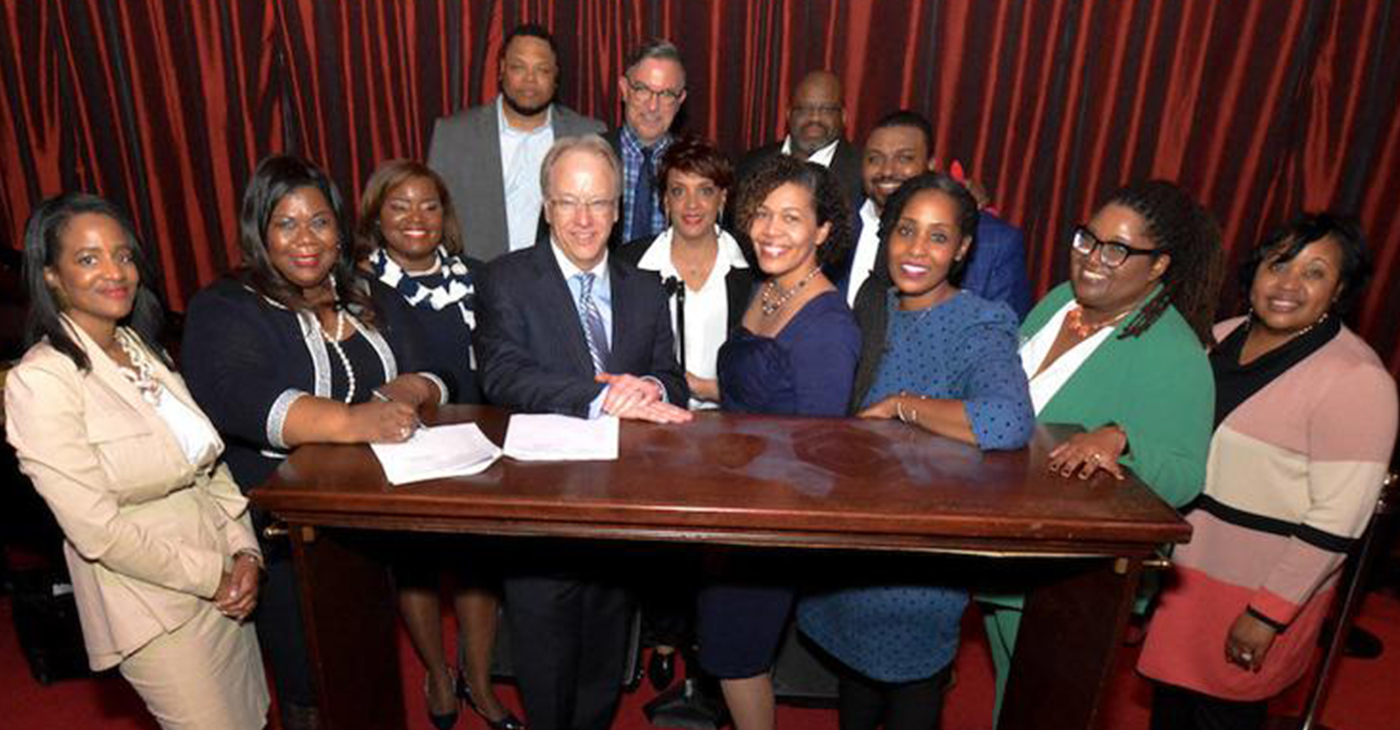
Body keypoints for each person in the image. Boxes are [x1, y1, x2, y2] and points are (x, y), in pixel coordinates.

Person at [181, 155, 446, 730]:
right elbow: (240, 397)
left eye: (320, 222)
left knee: (366, 661)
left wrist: (409, 387)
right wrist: (358, 423)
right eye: (287, 223)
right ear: (260, 230)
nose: (307, 240)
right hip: (281, 526)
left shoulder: (364, 292)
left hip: (368, 518)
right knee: (308, 673)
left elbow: (439, 370)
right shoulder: (226, 305)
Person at [6, 193, 270, 729]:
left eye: (123, 256)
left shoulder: (140, 347)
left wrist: (245, 553)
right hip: (151, 602)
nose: (115, 272)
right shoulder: (41, 381)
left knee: (252, 719)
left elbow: (208, 465)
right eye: (88, 258)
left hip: (223, 576)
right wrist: (213, 577)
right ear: (51, 276)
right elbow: (97, 530)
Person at [1138, 214, 1398, 730]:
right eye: (1278, 264)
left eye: (1314, 272)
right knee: (1170, 715)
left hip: (1255, 597)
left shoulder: (1356, 380)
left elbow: (1339, 518)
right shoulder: (1216, 339)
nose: (1288, 284)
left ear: (1340, 289)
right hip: (1184, 583)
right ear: (1255, 270)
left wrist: (1267, 615)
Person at [979, 179, 1226, 719]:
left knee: (1047, 707)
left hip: (1073, 570)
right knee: (1012, 694)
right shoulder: (1060, 301)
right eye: (1087, 239)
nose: (1093, 258)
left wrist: (1123, 437)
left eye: (1117, 249)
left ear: (1158, 265)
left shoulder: (1173, 351)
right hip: (1012, 542)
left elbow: (1186, 475)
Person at [797, 173, 1034, 730]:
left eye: (937, 237)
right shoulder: (871, 304)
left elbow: (1006, 420)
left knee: (912, 694)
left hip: (921, 557)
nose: (917, 251)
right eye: (906, 231)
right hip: (856, 541)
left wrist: (903, 404)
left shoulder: (978, 321)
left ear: (963, 249)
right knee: (854, 690)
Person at [473, 134, 690, 730]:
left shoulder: (647, 289)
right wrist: (603, 396)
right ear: (546, 206)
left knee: (602, 665)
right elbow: (502, 375)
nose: (585, 219)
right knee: (544, 672)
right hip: (541, 511)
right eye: (568, 202)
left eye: (599, 203)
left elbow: (669, 375)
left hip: (621, 512)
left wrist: (651, 389)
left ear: (619, 209)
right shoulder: (505, 280)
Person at [697, 154, 860, 730]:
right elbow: (753, 388)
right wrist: (673, 388)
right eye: (762, 214)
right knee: (726, 652)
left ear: (822, 231)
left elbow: (817, 448)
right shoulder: (767, 289)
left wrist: (758, 521)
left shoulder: (827, 327)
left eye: (791, 219)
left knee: (737, 658)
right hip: (732, 500)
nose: (770, 230)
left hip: (771, 518)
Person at [355, 160, 519, 730]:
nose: (416, 218)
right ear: (377, 216)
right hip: (406, 450)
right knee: (417, 569)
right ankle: (437, 675)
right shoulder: (357, 287)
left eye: (428, 205)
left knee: (479, 568)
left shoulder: (478, 276)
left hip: (480, 443)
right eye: (399, 206)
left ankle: (478, 678)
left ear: (445, 215)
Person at [428, 23, 605, 260]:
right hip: (475, 282)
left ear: (556, 76)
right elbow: (432, 214)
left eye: (542, 70)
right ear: (501, 70)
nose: (530, 80)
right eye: (518, 67)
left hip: (562, 283)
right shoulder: (454, 135)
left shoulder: (587, 135)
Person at [837, 110, 1032, 318]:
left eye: (904, 158)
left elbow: (1008, 333)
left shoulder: (994, 242)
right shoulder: (835, 220)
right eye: (874, 159)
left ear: (930, 164)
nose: (887, 170)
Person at [618, 134, 754, 409]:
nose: (692, 204)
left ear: (723, 198)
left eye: (705, 190)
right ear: (665, 201)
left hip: (731, 423)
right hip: (652, 417)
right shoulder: (629, 265)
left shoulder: (752, 267)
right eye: (679, 191)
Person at [606, 39, 688, 247]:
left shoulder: (695, 167)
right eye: (642, 89)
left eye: (667, 94)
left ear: (680, 101)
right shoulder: (588, 156)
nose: (653, 106)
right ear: (624, 89)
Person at [734, 70, 862, 203]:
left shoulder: (863, 173)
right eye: (803, 109)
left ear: (843, 117)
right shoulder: (751, 165)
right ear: (789, 114)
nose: (814, 118)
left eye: (826, 110)